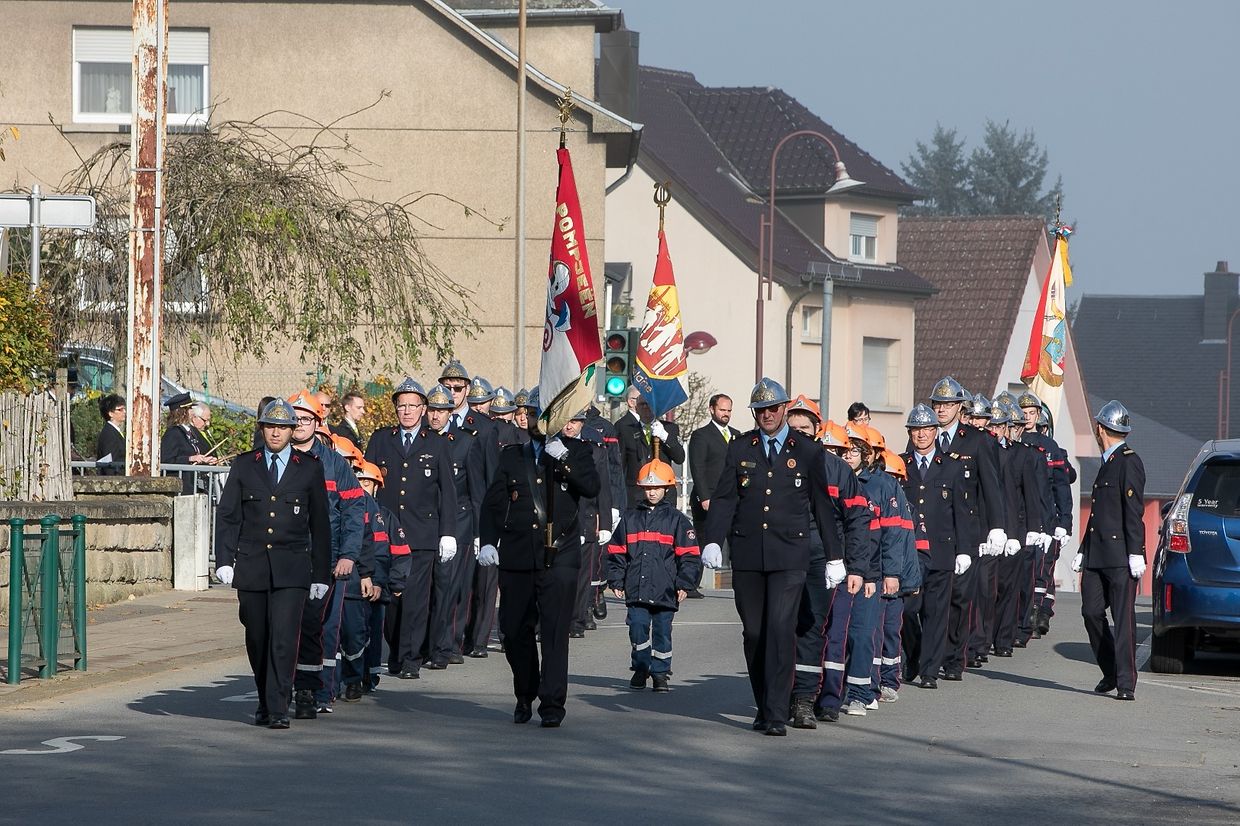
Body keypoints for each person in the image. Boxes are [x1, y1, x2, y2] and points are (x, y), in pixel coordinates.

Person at [702, 378, 871, 737]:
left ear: (782, 409)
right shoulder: (740, 447)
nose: (766, 415)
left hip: (790, 555)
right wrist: (713, 539)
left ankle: (777, 712)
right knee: (754, 633)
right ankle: (764, 705)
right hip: (748, 554)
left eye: (773, 409)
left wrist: (834, 555)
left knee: (780, 630)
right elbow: (725, 498)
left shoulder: (807, 451)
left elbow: (822, 505)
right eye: (760, 410)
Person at [477, 390, 600, 728]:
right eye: (530, 413)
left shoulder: (576, 450)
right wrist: (488, 542)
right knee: (513, 631)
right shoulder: (511, 456)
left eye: (542, 413)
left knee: (556, 632)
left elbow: (591, 487)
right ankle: (525, 690)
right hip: (518, 554)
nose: (535, 419)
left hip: (560, 554)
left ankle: (551, 704)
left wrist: (562, 458)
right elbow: (492, 505)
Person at [214, 399, 330, 729]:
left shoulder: (308, 467)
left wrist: (321, 572)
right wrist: (225, 559)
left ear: (293, 431)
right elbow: (228, 515)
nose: (276, 432)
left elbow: (320, 524)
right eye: (270, 426)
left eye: (282, 427)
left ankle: (279, 706)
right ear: (262, 429)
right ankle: (266, 699)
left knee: (283, 637)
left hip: (292, 568)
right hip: (252, 566)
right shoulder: (244, 465)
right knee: (258, 636)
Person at [363, 377, 458, 681]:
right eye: (401, 405)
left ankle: (410, 658)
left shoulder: (437, 443)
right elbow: (367, 484)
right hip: (385, 533)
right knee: (390, 599)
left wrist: (447, 533)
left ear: (423, 409)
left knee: (416, 599)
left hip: (422, 533)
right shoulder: (381, 440)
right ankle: (395, 648)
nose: (406, 411)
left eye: (412, 406)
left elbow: (447, 491)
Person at [286, 389, 367, 717]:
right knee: (287, 627)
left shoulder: (333, 464)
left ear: (317, 423)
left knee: (325, 628)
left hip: (329, 560)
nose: (300, 425)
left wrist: (348, 554)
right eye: (295, 419)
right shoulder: (276, 458)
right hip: (287, 559)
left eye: (306, 419)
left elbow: (353, 507)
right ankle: (289, 686)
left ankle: (320, 690)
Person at [927, 376, 1005, 680]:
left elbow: (991, 487)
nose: (942, 409)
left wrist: (996, 527)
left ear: (960, 407)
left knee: (960, 597)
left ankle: (954, 658)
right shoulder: (925, 436)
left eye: (948, 404)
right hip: (934, 527)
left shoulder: (978, 440)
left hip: (966, 531)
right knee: (933, 598)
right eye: (938, 403)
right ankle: (931, 653)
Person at [606, 459, 702, 692]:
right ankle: (640, 667)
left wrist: (684, 584)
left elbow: (689, 556)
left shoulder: (678, 520)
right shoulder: (630, 519)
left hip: (666, 590)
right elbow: (617, 551)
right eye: (648, 488)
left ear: (667, 489)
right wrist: (616, 580)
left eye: (657, 488)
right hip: (636, 589)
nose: (652, 492)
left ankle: (660, 673)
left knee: (662, 633)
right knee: (637, 628)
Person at [1073, 400, 1145, 701]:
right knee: (1090, 612)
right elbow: (1099, 514)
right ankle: (1111, 671)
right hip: (1096, 554)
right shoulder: (1107, 462)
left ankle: (1126, 683)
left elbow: (1133, 511)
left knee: (1123, 619)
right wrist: (1083, 549)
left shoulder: (1128, 461)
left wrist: (1136, 551)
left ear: (1100, 428)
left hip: (1119, 556)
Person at [899, 403, 971, 689]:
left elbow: (961, 511)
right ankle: (915, 653)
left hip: (942, 549)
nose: (921, 435)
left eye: (927, 429)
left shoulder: (951, 467)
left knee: (937, 612)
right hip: (911, 551)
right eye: (916, 430)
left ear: (934, 432)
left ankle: (929, 671)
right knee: (907, 609)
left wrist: (965, 549)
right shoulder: (900, 465)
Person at [422, 383, 481, 670]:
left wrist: (480, 532)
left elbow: (476, 490)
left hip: (458, 523)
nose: (435, 416)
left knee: (449, 588)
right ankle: (424, 644)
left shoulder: (465, 441)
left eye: (441, 411)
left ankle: (445, 645)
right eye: (431, 410)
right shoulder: (419, 440)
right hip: (424, 523)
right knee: (424, 589)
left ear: (450, 413)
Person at [615, 386, 686, 507]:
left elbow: (680, 458)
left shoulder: (669, 428)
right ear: (636, 407)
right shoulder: (626, 429)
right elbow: (620, 466)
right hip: (635, 496)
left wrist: (664, 436)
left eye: (649, 404)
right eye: (642, 404)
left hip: (664, 494)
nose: (646, 407)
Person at [688, 394, 740, 543]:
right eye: (722, 410)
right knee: (704, 546)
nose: (726, 414)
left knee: (737, 547)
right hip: (709, 501)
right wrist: (704, 497)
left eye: (729, 411)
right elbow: (697, 468)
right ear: (711, 409)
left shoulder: (736, 435)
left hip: (732, 500)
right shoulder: (701, 435)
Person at [160, 393, 219, 493]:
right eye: (190, 408)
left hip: (195, 486)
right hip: (183, 489)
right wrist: (190, 459)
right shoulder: (173, 433)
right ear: (182, 412)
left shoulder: (190, 432)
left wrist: (206, 460)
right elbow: (167, 460)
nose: (192, 412)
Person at [94, 393, 126, 475]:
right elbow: (108, 462)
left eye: (124, 409)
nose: (124, 412)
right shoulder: (109, 434)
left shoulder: (114, 431)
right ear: (110, 413)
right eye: (120, 410)